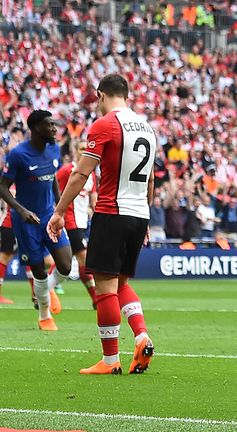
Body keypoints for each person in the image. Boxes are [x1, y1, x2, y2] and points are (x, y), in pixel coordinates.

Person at [47, 73, 157, 375]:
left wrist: (58, 212)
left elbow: (80, 174)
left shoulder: (105, 124)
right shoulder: (147, 128)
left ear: (100, 95)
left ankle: (110, 361)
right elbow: (150, 180)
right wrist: (145, 218)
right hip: (139, 215)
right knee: (123, 284)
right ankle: (142, 336)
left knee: (106, 288)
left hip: (112, 212)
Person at [0, 110, 72, 331]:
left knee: (66, 265)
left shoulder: (54, 150)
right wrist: (21, 211)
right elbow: (2, 187)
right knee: (38, 270)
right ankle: (44, 315)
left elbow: (53, 180)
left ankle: (46, 290)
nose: (54, 128)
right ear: (35, 128)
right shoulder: (18, 154)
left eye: (54, 124)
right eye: (49, 125)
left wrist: (59, 209)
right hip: (26, 221)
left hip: (49, 216)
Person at [56, 140, 98, 308]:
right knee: (83, 258)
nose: (84, 151)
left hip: (83, 222)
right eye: (81, 148)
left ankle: (43, 290)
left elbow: (93, 200)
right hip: (69, 221)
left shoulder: (92, 174)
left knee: (64, 263)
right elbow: (55, 190)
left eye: (86, 148)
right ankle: (96, 299)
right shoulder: (67, 171)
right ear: (75, 150)